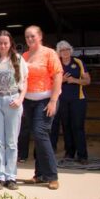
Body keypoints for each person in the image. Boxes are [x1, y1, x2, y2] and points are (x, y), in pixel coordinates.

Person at [21, 26, 63, 190]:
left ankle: (52, 175)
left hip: (45, 100)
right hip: (28, 101)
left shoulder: (49, 53)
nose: (29, 39)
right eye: (27, 37)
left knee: (40, 133)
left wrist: (53, 100)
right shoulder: (24, 56)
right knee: (37, 136)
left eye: (32, 36)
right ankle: (40, 174)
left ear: (40, 36)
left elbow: (58, 75)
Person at [0, 30, 28, 190]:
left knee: (11, 142)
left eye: (5, 43)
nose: (3, 45)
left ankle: (11, 176)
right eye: (0, 43)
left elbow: (24, 82)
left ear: (10, 44)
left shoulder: (18, 59)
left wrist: (20, 99)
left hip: (13, 100)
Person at [51, 41, 90, 164]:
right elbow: (50, 83)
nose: (65, 52)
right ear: (59, 52)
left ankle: (82, 155)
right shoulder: (56, 63)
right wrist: (61, 80)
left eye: (67, 49)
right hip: (61, 100)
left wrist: (74, 80)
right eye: (62, 50)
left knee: (78, 126)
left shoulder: (78, 62)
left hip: (78, 99)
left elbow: (87, 80)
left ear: (71, 50)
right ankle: (69, 153)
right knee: (66, 126)